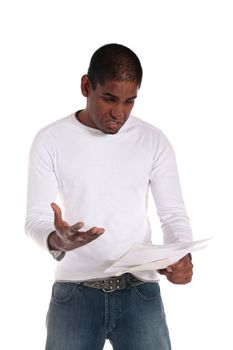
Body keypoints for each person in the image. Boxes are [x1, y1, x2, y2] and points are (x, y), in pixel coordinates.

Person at [25, 43, 193, 350]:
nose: (119, 113)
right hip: (74, 293)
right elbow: (35, 218)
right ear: (86, 86)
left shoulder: (153, 140)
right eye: (109, 99)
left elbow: (173, 215)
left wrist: (182, 256)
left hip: (139, 292)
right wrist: (56, 239)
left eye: (130, 101)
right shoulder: (51, 140)